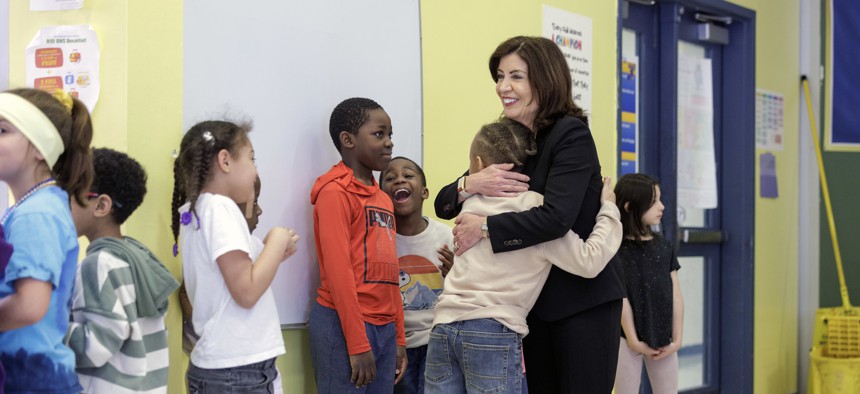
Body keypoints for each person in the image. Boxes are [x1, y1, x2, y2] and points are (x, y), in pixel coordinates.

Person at [434, 36, 626, 393]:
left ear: (545, 79)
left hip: (581, 298)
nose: (502, 87)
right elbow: (444, 204)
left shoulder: (570, 134)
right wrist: (469, 182)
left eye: (516, 76)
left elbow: (556, 219)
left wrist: (486, 226)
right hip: (530, 305)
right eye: (500, 76)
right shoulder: (510, 135)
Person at [171, 120, 299, 393]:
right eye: (251, 159)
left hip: (232, 369)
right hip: (236, 370)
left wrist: (272, 253)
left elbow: (231, 277)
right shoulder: (219, 208)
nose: (255, 171)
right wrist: (276, 239)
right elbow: (247, 291)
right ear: (225, 161)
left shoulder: (199, 211)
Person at [309, 97, 407, 392]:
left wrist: (399, 338)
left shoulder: (381, 198)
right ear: (348, 140)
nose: (389, 143)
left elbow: (392, 274)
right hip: (343, 326)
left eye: (390, 134)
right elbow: (338, 275)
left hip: (385, 329)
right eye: (379, 134)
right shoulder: (335, 193)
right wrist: (358, 342)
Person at [0, 88, 94, 393]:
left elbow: (30, 305)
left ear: (40, 147)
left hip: (33, 382)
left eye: (2, 130)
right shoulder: (35, 205)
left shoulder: (36, 213)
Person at [66, 148, 179, 393]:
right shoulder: (136, 255)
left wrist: (49, 325)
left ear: (101, 205)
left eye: (68, 195)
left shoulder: (98, 264)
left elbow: (95, 348)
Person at [379, 157, 454, 394]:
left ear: (424, 192)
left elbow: (466, 291)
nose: (399, 179)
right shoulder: (380, 240)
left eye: (408, 175)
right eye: (390, 178)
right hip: (397, 347)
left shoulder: (446, 236)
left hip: (439, 345)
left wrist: (455, 274)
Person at [612, 174, 683, 394]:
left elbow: (676, 295)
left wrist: (677, 340)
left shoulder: (664, 247)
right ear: (630, 206)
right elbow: (620, 297)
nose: (662, 207)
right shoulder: (615, 249)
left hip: (662, 338)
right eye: (654, 202)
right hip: (626, 338)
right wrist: (633, 340)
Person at [178, 175, 262, 356]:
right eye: (254, 202)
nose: (260, 211)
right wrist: (277, 243)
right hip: (222, 360)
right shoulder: (206, 247)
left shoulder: (253, 246)